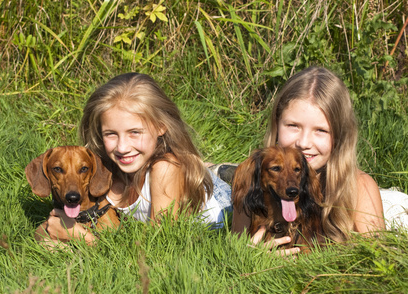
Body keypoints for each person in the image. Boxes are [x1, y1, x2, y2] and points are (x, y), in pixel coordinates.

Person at [46, 73, 232, 244]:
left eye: (134, 132)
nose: (122, 147)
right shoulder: (102, 166)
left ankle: (220, 172)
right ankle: (211, 168)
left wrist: (84, 239)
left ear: (160, 127)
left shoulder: (165, 169)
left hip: (220, 200)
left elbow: (159, 245)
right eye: (111, 134)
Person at [231, 66, 386, 254]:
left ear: (340, 136)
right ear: (277, 124)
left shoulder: (360, 188)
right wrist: (250, 258)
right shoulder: (252, 184)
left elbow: (379, 262)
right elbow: (235, 255)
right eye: (293, 126)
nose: (303, 143)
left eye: (320, 130)